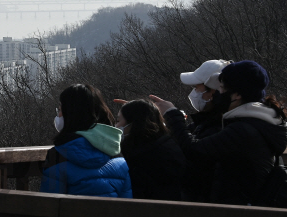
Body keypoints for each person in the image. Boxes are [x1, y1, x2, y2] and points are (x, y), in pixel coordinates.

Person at [151, 60, 287, 206]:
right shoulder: (258, 122)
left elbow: (194, 150)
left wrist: (172, 115)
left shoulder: (243, 130)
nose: (218, 94)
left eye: (222, 88)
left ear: (237, 94)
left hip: (239, 209)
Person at [40, 84, 132, 197]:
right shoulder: (116, 153)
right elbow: (127, 200)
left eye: (60, 109)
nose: (58, 115)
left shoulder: (58, 155)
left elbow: (49, 203)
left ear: (70, 114)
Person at [179, 59, 231, 202]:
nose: (194, 92)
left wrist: (173, 119)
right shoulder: (204, 123)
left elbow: (192, 154)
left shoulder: (222, 129)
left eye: (197, 87)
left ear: (213, 92)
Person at [115, 99, 186, 201]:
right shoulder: (168, 145)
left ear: (133, 123)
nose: (116, 125)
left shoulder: (139, 157)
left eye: (118, 121)